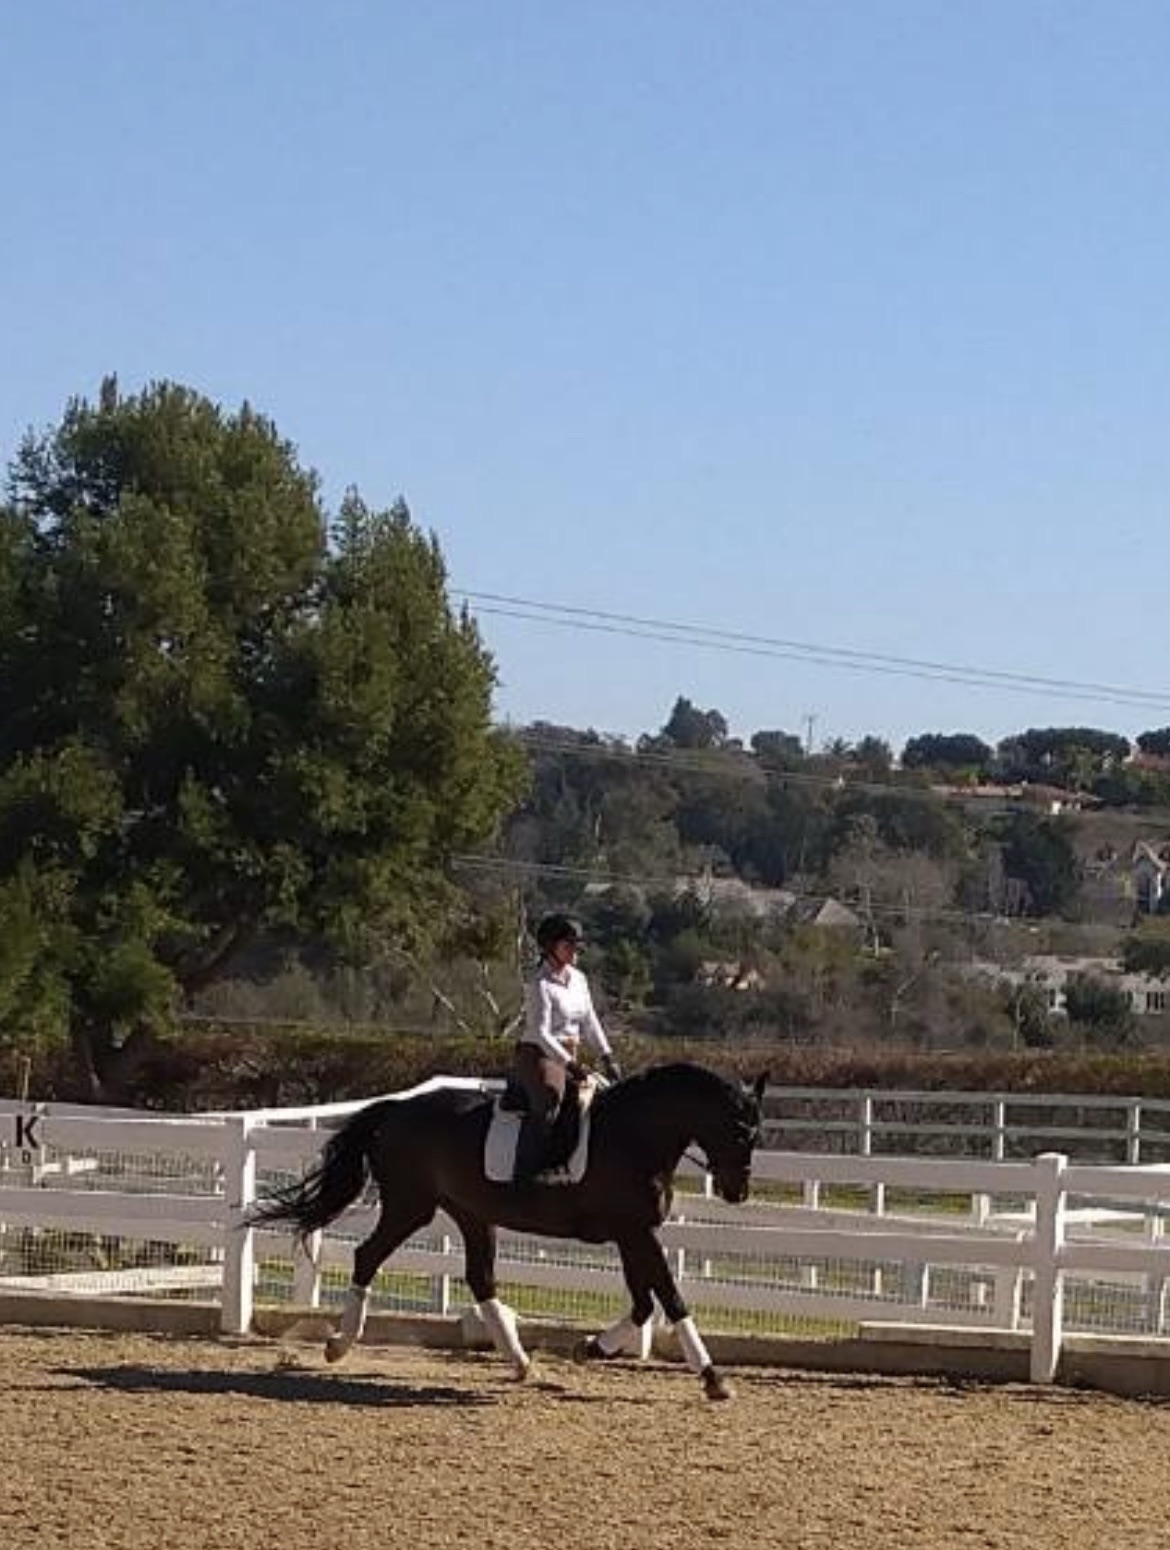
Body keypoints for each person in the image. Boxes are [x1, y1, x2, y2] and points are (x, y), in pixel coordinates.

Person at [511, 913, 622, 1182]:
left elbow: (589, 1019)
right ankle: (526, 1171)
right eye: (568, 944)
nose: (575, 950)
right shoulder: (540, 984)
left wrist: (607, 1056)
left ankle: (568, 1166)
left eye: (577, 945)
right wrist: (569, 1064)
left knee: (595, 1100)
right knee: (551, 1096)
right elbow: (540, 1032)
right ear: (551, 947)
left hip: (570, 1053)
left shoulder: (579, 979)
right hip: (539, 1053)